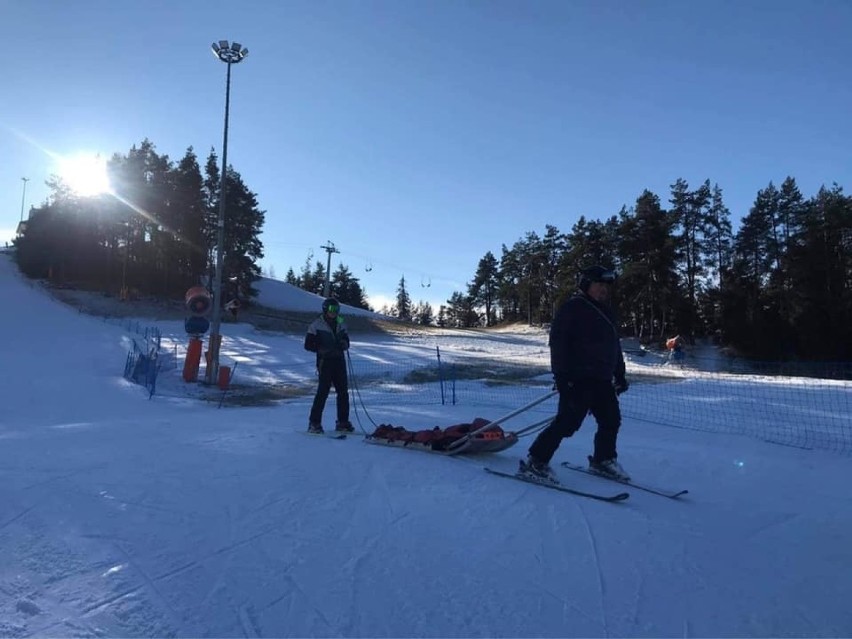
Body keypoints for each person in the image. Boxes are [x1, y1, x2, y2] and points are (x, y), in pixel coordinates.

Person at [522, 265, 631, 481]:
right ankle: (536, 461)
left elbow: (614, 347)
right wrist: (562, 377)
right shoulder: (573, 308)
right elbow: (558, 344)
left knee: (611, 420)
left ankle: (603, 460)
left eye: (606, 286)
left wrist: (620, 374)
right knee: (567, 423)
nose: (603, 290)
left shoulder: (607, 313)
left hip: (602, 379)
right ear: (586, 285)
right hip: (577, 379)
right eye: (599, 285)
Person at [303, 297, 354, 434]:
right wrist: (321, 349)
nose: (334, 312)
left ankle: (342, 422)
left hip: (339, 361)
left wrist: (344, 344)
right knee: (322, 392)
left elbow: (346, 340)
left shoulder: (341, 322)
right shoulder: (316, 324)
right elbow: (308, 345)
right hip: (325, 362)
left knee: (343, 392)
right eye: (332, 309)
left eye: (337, 309)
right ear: (325, 309)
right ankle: (314, 423)